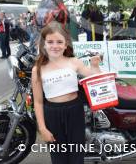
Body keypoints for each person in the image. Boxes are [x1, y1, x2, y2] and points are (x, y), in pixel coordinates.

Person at [31, 21, 101, 164]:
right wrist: (43, 128)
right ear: (44, 44)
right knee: (58, 157)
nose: (55, 46)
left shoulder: (74, 62)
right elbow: (38, 102)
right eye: (50, 42)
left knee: (77, 155)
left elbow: (94, 78)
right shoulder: (37, 69)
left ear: (65, 44)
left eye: (59, 42)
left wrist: (95, 65)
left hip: (75, 112)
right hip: (52, 115)